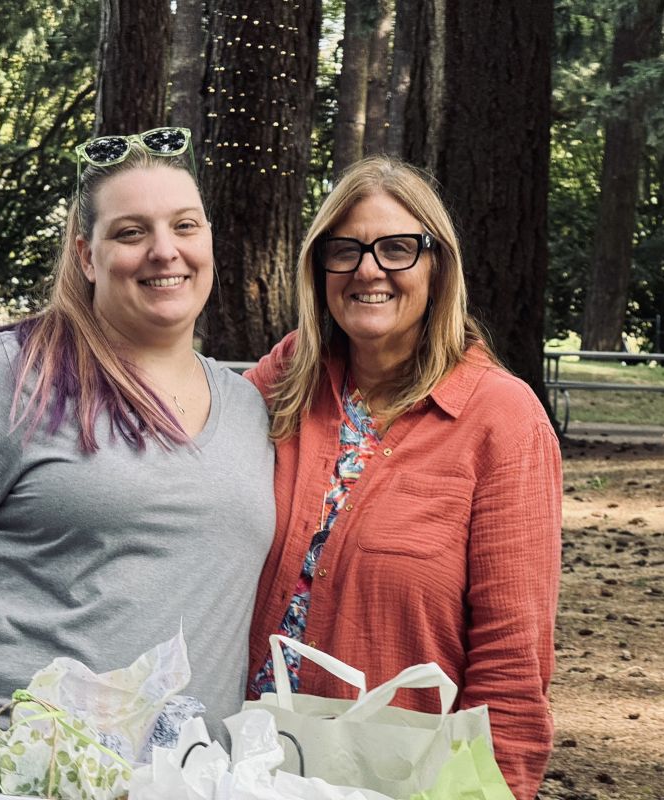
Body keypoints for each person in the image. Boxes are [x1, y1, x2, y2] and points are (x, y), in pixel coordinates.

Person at [0, 127, 275, 795]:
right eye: (130, 232)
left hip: (172, 783)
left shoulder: (249, 408)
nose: (164, 251)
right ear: (85, 255)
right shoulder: (13, 370)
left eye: (184, 225)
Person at [245, 156, 562, 800]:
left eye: (397, 248)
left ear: (437, 265)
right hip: (242, 760)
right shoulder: (286, 379)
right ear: (320, 267)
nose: (369, 269)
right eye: (346, 249)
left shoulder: (502, 419)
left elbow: (511, 660)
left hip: (393, 780)